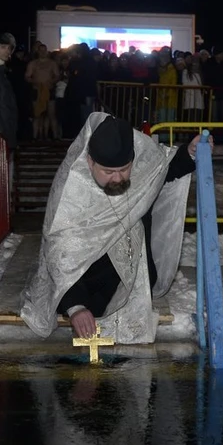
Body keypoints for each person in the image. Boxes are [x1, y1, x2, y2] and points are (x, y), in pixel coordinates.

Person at [20, 112, 210, 343]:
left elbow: (161, 169)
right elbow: (60, 254)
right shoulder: (70, 190)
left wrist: (189, 153)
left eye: (124, 169)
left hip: (133, 275)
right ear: (90, 162)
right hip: (84, 282)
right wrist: (75, 306)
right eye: (108, 172)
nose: (118, 179)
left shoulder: (140, 156)